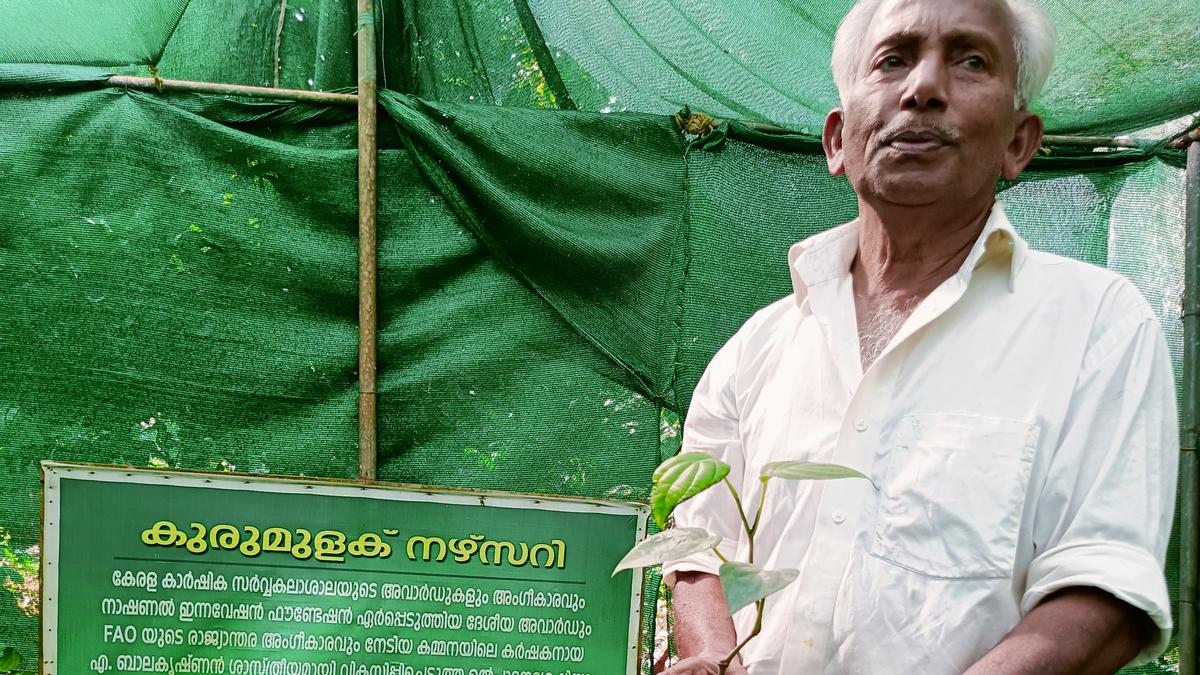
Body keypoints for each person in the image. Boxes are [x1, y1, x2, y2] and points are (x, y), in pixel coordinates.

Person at [661, 0, 1179, 673]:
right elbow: (697, 548)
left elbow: (1106, 591)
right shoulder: (755, 351)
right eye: (893, 59)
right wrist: (710, 654)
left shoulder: (1098, 324)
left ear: (1019, 142)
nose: (923, 88)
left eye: (971, 60)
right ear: (837, 140)